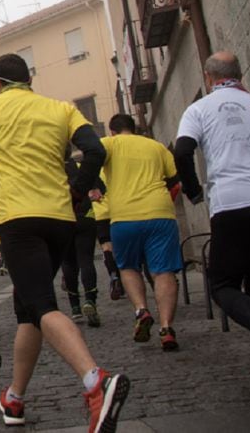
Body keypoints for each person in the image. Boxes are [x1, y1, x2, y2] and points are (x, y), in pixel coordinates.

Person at [0, 53, 129, 432]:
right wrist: (78, 191)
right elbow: (95, 150)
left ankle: (96, 382)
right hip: (61, 218)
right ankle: (14, 397)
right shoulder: (61, 109)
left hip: (19, 221)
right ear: (29, 79)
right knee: (28, 309)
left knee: (43, 305)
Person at [174, 51, 250, 395]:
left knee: (222, 284)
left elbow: (182, 151)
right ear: (239, 74)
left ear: (208, 77)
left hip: (232, 203)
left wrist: (194, 192)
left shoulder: (199, 109)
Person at [101, 114, 182, 350]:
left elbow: (91, 159)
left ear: (113, 131)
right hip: (160, 214)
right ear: (134, 128)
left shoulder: (109, 144)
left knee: (128, 267)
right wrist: (165, 202)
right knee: (163, 271)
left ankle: (141, 310)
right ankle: (166, 328)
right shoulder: (157, 147)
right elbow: (175, 182)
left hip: (124, 217)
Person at [62, 151, 102, 327]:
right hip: (85, 217)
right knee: (86, 260)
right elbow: (99, 192)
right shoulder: (81, 168)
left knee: (68, 263)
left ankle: (75, 308)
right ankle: (90, 300)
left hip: (62, 220)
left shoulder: (50, 170)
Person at [92, 172, 125, 300]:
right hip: (116, 211)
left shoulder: (86, 168)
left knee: (107, 247)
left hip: (99, 214)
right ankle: (124, 277)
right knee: (121, 247)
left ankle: (114, 276)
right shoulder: (109, 168)